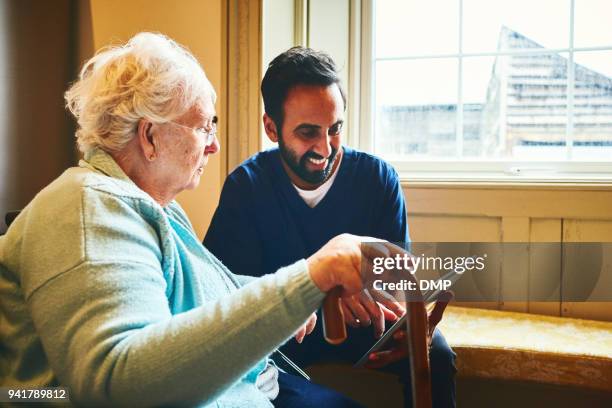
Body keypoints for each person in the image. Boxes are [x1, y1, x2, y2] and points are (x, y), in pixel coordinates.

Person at [0, 33, 395, 407]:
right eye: (203, 126)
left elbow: (196, 294)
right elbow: (117, 382)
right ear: (150, 136)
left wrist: (298, 296)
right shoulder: (88, 209)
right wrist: (311, 276)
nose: (214, 144)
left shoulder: (154, 207)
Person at [204, 46, 457, 407]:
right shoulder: (247, 188)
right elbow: (226, 294)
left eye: (335, 129)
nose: (325, 147)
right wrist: (325, 293)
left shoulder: (377, 178)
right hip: (288, 333)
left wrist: (406, 321)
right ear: (271, 128)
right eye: (308, 132)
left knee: (436, 356)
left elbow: (395, 279)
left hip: (366, 327)